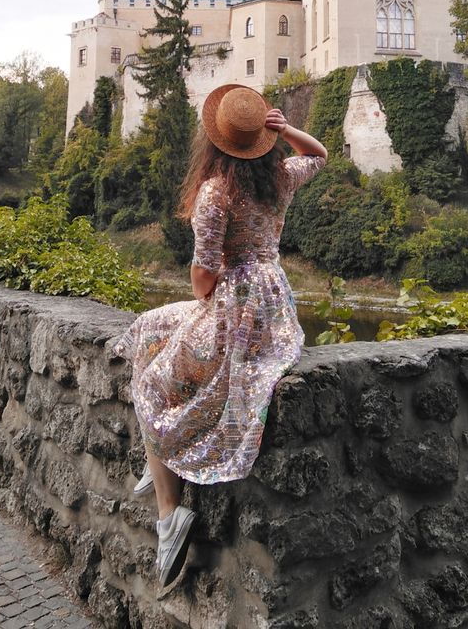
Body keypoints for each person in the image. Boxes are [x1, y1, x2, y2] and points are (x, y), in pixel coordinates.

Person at [112, 83, 327, 589]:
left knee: (153, 379)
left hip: (233, 302)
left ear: (215, 139)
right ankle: (158, 459)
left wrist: (214, 287)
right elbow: (317, 154)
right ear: (260, 138)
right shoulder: (279, 177)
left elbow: (203, 278)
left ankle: (169, 511)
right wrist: (286, 130)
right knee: (150, 327)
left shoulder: (216, 192)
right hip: (274, 301)